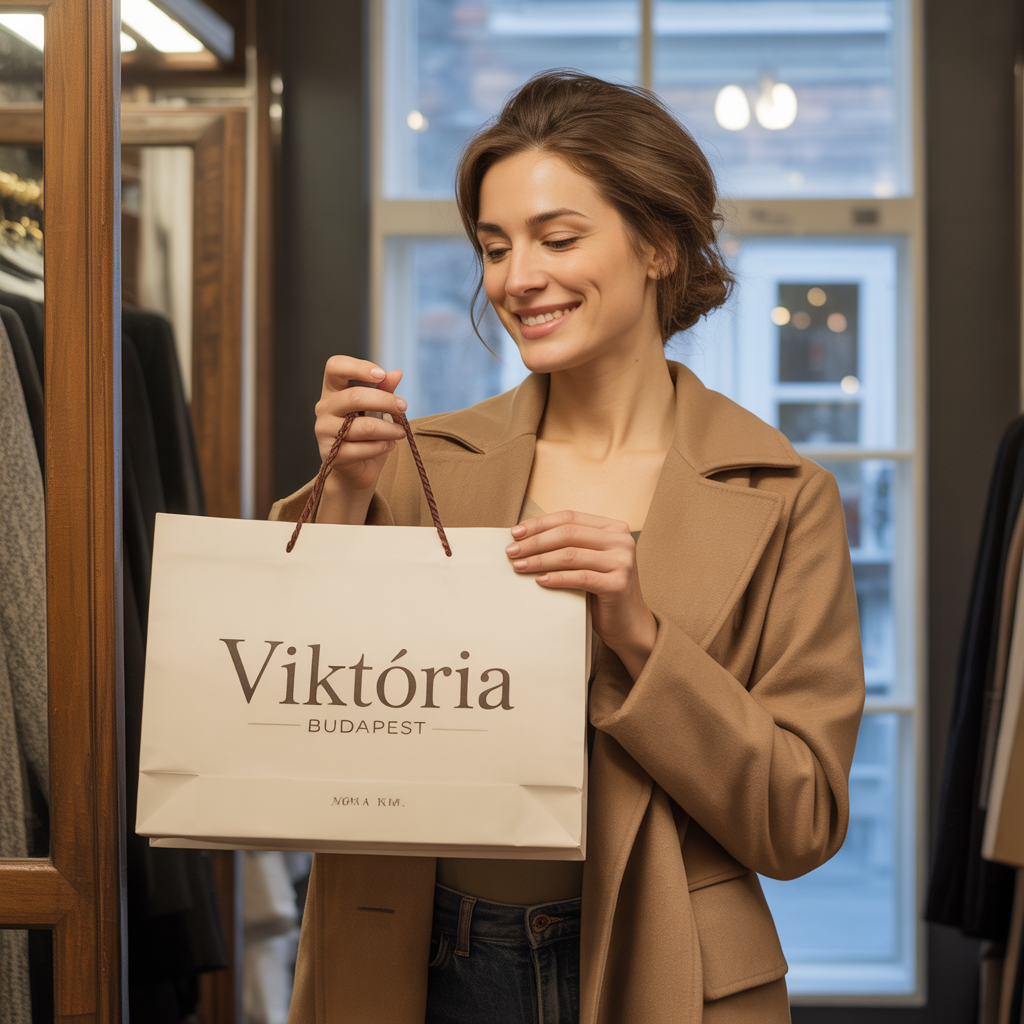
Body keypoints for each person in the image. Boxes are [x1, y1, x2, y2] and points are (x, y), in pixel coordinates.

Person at [273, 70, 865, 1024]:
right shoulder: (419, 464)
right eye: (495, 247)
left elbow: (799, 821)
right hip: (414, 960)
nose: (517, 278)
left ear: (659, 245)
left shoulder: (786, 497)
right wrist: (340, 492)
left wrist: (641, 638)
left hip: (667, 969)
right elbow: (280, 694)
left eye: (558, 238)